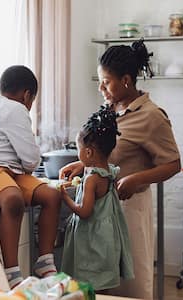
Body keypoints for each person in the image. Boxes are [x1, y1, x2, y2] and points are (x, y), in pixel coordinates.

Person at [60, 39, 181, 299]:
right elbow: (106, 153)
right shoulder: (109, 109)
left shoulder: (151, 116)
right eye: (100, 81)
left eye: (106, 81)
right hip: (102, 210)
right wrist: (82, 164)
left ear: (126, 80)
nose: (101, 87)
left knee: (131, 283)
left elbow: (173, 163)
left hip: (130, 208)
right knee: (102, 280)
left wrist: (136, 179)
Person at [0, 65, 61, 288]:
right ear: (27, 95)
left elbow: (24, 162)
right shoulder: (16, 109)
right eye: (32, 101)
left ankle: (44, 262)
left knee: (51, 196)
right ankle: (12, 273)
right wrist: (28, 164)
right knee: (13, 199)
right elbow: (30, 159)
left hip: (8, 171)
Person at [60, 105, 134, 292]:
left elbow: (85, 212)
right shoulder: (108, 170)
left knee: (87, 284)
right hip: (105, 238)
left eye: (78, 149)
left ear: (89, 152)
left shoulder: (92, 178)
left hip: (91, 240)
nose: (78, 154)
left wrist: (65, 198)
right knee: (101, 286)